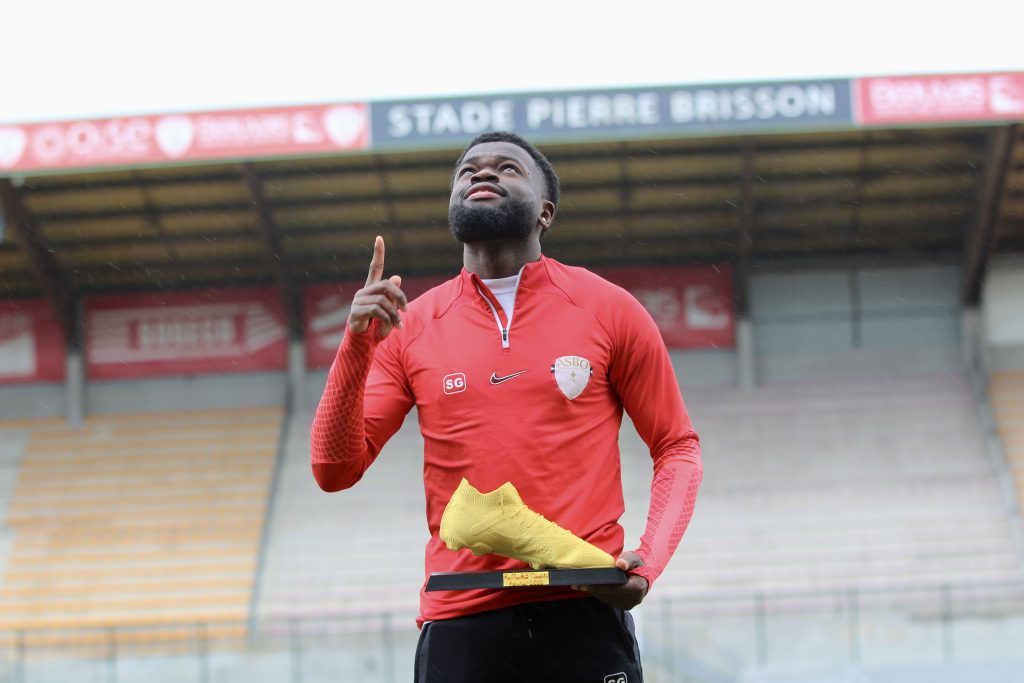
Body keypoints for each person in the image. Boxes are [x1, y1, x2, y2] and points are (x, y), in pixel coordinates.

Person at [311, 131, 702, 682]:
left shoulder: (609, 308)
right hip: (461, 621)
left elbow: (677, 446)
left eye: (508, 167)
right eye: (466, 170)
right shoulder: (410, 326)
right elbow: (333, 471)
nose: (482, 173)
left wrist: (650, 559)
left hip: (583, 609)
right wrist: (356, 346)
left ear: (545, 212)